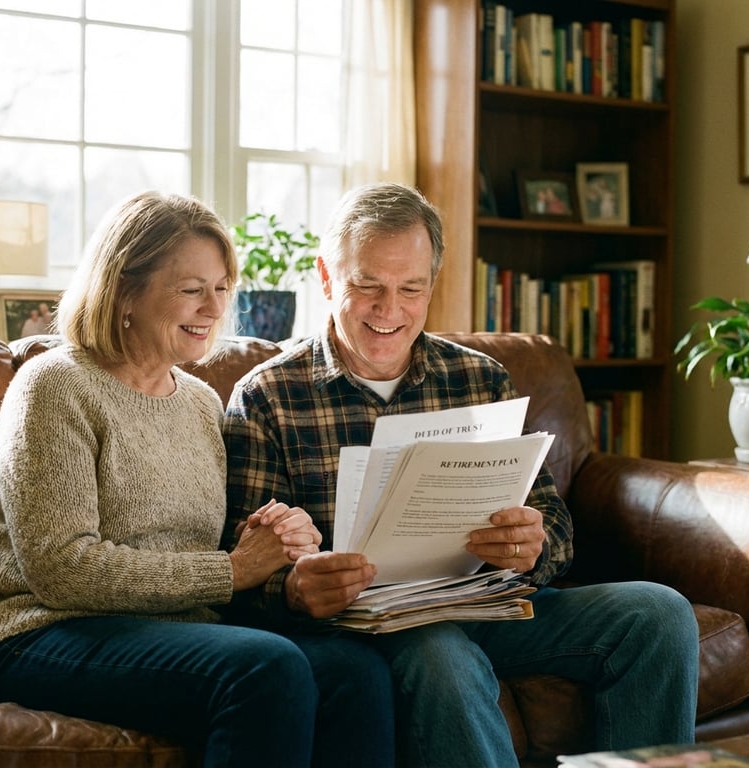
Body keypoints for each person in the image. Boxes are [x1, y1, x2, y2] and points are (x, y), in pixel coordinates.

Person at [222, 182, 700, 766]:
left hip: (485, 603)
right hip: (375, 626)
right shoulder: (267, 396)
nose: (389, 309)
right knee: (440, 653)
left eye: (411, 288)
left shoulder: (479, 380)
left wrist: (530, 545)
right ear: (326, 277)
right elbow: (237, 567)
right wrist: (295, 589)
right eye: (366, 285)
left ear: (432, 285)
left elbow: (554, 526)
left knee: (659, 613)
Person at [0, 190, 394, 768]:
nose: (214, 309)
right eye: (191, 290)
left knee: (355, 669)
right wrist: (234, 569)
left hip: (173, 631)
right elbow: (61, 568)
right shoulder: (54, 387)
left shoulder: (197, 402)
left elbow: (208, 544)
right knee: (266, 667)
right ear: (124, 292)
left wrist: (278, 536)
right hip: (41, 631)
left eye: (220, 289)